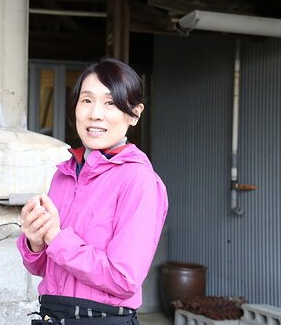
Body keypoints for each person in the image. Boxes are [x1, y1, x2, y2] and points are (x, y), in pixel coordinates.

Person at [17, 58, 168, 325]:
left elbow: (124, 279)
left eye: (110, 103)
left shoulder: (138, 180)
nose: (95, 113)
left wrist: (55, 236)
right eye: (87, 100)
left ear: (134, 113)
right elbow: (42, 268)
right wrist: (36, 241)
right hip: (53, 314)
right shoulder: (64, 175)